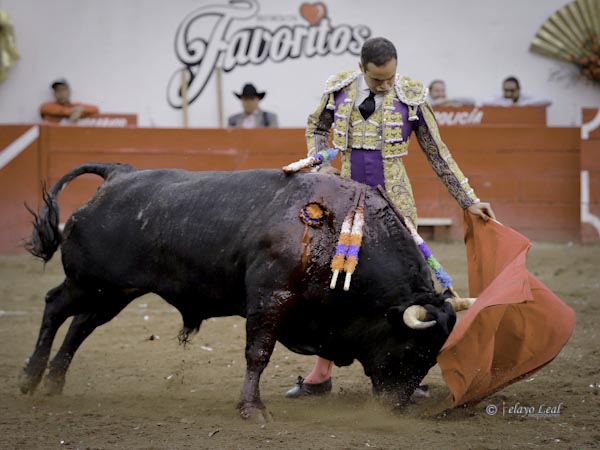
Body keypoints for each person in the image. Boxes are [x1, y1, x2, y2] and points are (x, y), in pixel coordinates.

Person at [286, 36, 495, 398]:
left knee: (404, 289)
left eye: (390, 78)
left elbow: (437, 151)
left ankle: (404, 373)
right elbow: (317, 128)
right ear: (361, 68)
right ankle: (320, 375)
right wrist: (322, 163)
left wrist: (468, 199)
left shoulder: (411, 95)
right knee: (334, 281)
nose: (386, 85)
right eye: (378, 80)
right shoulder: (339, 90)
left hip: (394, 203)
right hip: (345, 198)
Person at [482, 76, 551, 106]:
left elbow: (548, 101)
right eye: (506, 90)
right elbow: (484, 102)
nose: (509, 94)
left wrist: (520, 105)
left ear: (519, 89)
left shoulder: (525, 97)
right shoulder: (500, 98)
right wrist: (508, 104)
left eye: (512, 90)